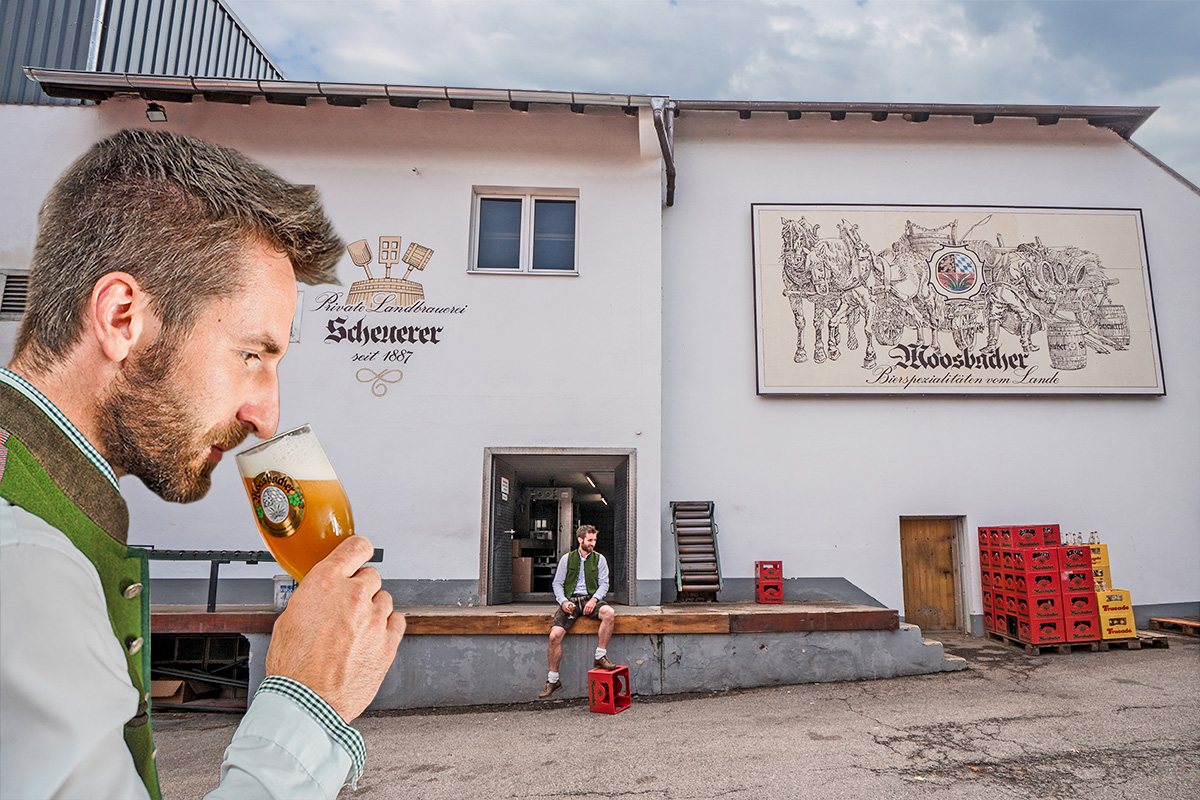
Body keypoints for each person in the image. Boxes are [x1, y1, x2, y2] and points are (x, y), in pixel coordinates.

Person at [0, 129, 406, 799]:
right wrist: (306, 706)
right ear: (124, 317)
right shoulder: (25, 562)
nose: (266, 417)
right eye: (252, 355)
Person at [539, 524, 616, 698]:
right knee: (554, 636)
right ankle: (553, 680)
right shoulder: (567, 559)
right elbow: (557, 583)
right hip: (571, 600)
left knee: (609, 613)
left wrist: (594, 599)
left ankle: (600, 656)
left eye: (594, 540)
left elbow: (604, 584)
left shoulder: (600, 559)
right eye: (590, 540)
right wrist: (563, 601)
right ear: (580, 540)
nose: (593, 543)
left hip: (591, 598)